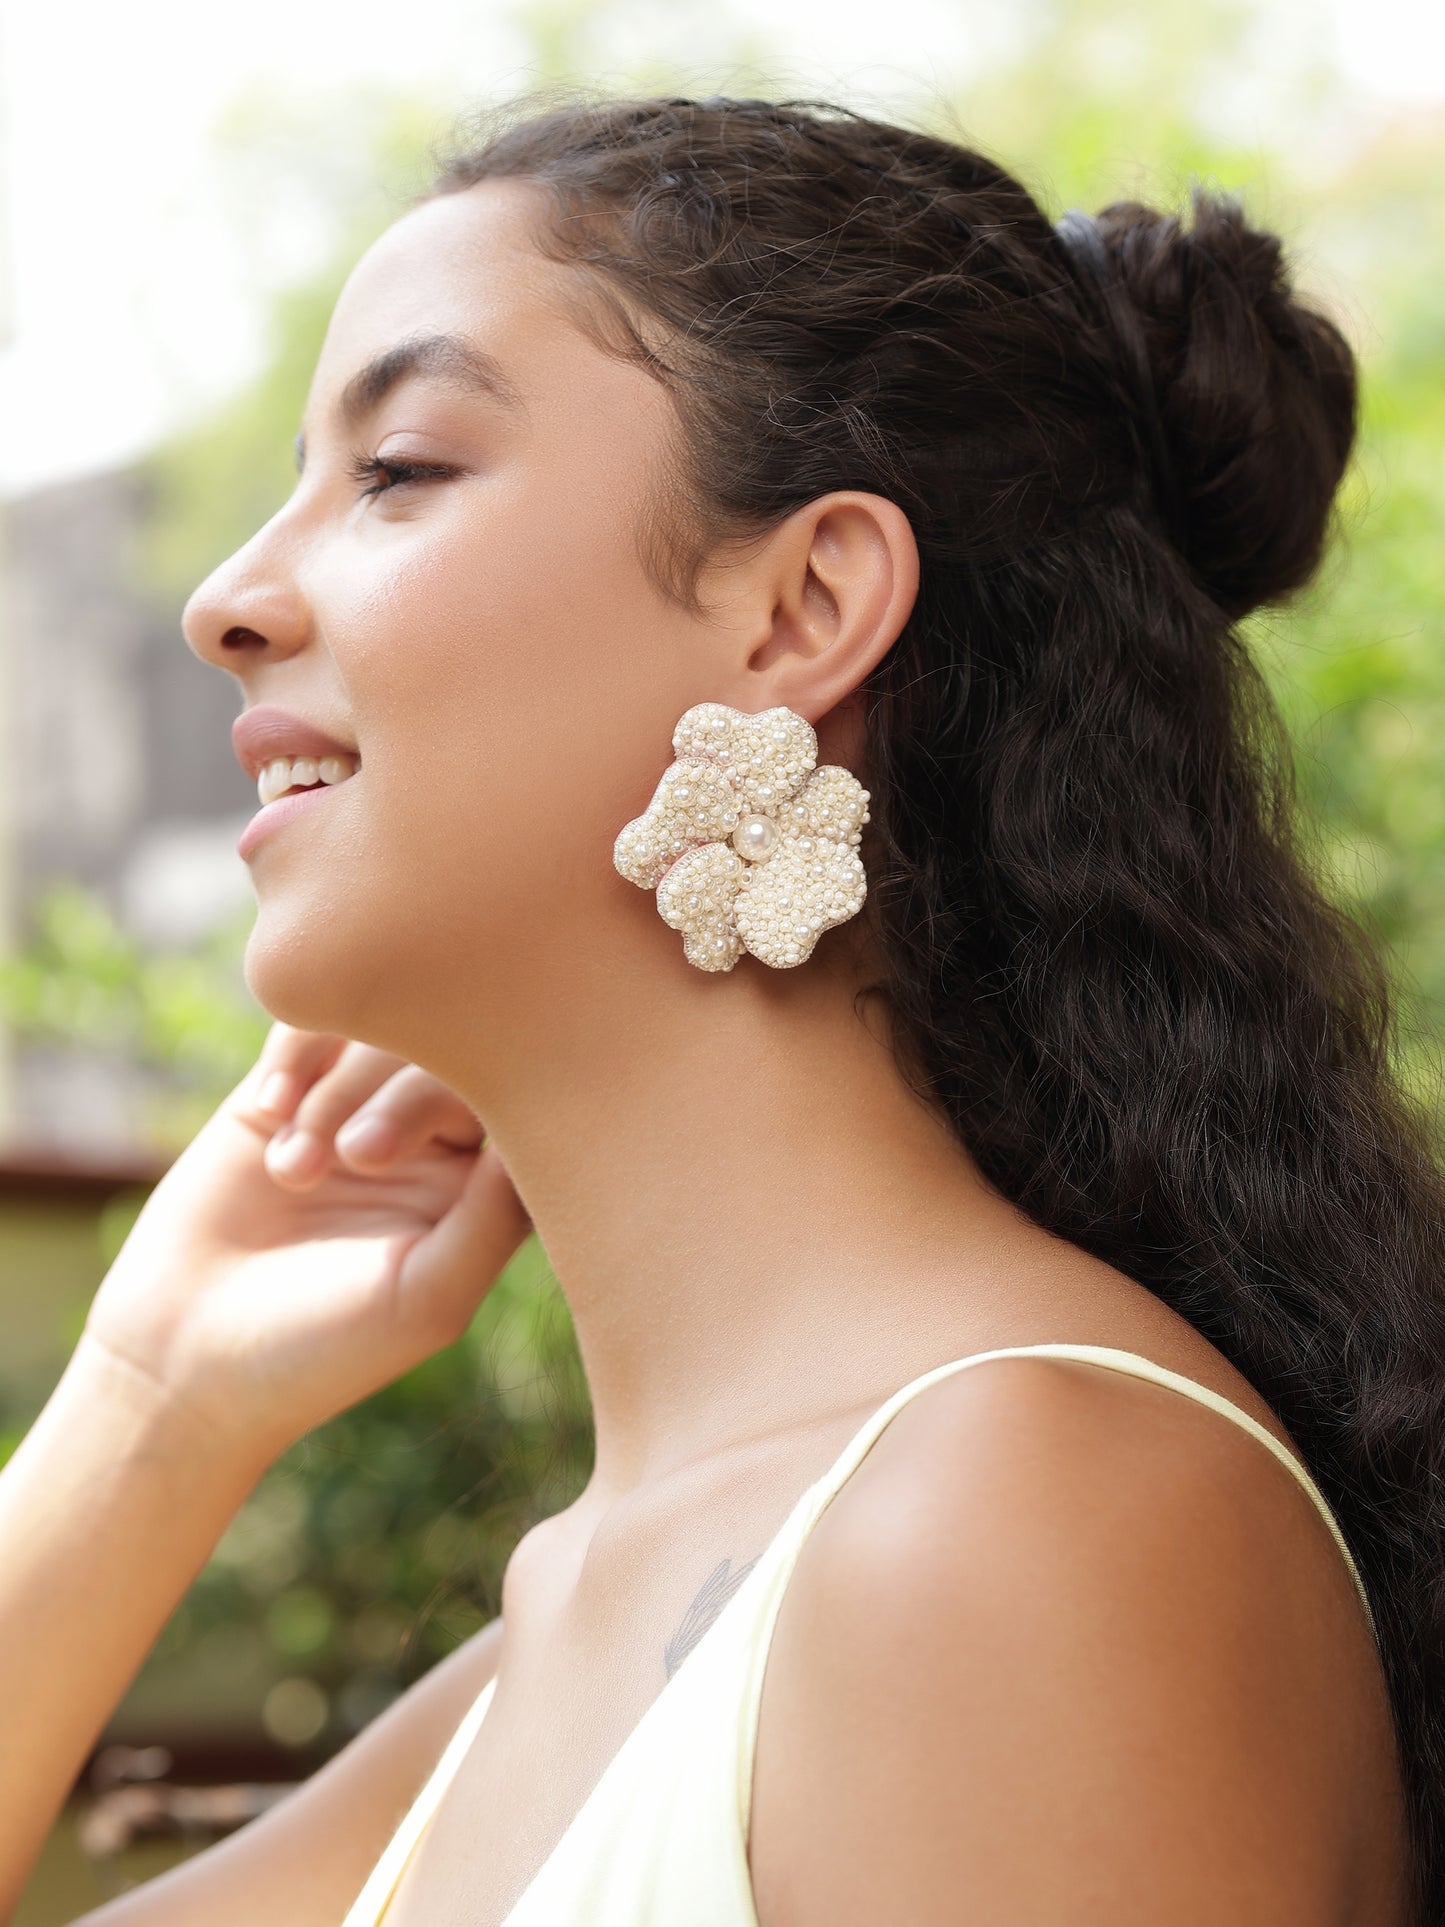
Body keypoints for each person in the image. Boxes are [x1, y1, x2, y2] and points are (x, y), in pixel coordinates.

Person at [0, 92, 1439, 1925]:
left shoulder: (1012, 1523)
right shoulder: (586, 1624)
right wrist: (148, 1411)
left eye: (402, 469)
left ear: (803, 607)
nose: (227, 601)